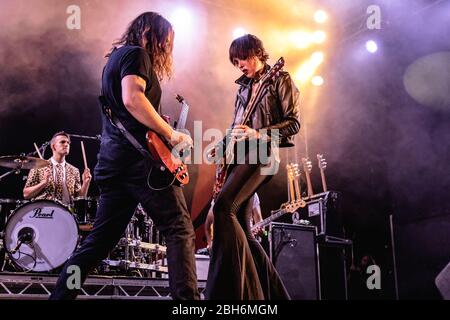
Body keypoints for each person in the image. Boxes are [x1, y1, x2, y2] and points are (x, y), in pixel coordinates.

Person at [50, 12, 199, 300]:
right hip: (138, 164)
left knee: (98, 243)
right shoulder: (137, 54)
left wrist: (154, 121)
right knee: (179, 228)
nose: (166, 49)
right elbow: (132, 98)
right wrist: (171, 133)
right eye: (165, 41)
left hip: (112, 162)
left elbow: (125, 108)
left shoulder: (114, 60)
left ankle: (60, 297)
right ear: (149, 34)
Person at [205, 34, 301, 300]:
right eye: (235, 62)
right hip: (241, 155)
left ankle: (233, 295)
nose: (240, 65)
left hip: (263, 153)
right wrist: (222, 145)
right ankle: (275, 296)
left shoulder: (281, 79)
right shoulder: (243, 88)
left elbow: (293, 124)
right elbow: (237, 127)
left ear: (257, 52)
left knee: (224, 208)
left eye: (243, 58)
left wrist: (259, 134)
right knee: (243, 230)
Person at [23, 131, 91, 205]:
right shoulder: (39, 166)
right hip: (45, 212)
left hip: (67, 213)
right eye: (62, 142)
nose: (66, 144)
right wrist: (44, 183)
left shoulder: (74, 170)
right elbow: (26, 194)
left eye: (68, 143)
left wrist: (85, 183)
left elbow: (79, 198)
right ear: (53, 146)